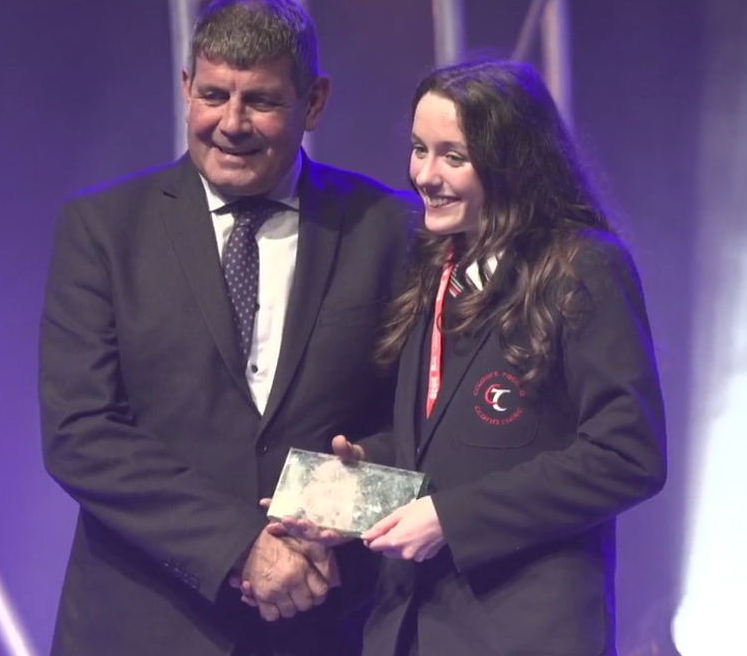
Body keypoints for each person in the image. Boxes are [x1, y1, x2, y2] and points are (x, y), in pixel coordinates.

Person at [38, 0, 416, 656]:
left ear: (315, 100)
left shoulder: (387, 228)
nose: (232, 122)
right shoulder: (103, 229)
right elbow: (81, 432)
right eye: (214, 95)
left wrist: (327, 512)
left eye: (263, 100)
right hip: (140, 625)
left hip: (324, 619)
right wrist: (240, 547)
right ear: (187, 86)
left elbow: (419, 424)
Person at [268, 59, 667, 656]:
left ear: (514, 161)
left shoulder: (582, 267)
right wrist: (356, 485)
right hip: (410, 628)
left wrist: (452, 518)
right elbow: (453, 444)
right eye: (418, 149)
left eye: (453, 156)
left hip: (521, 630)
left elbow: (626, 454)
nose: (425, 175)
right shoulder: (434, 269)